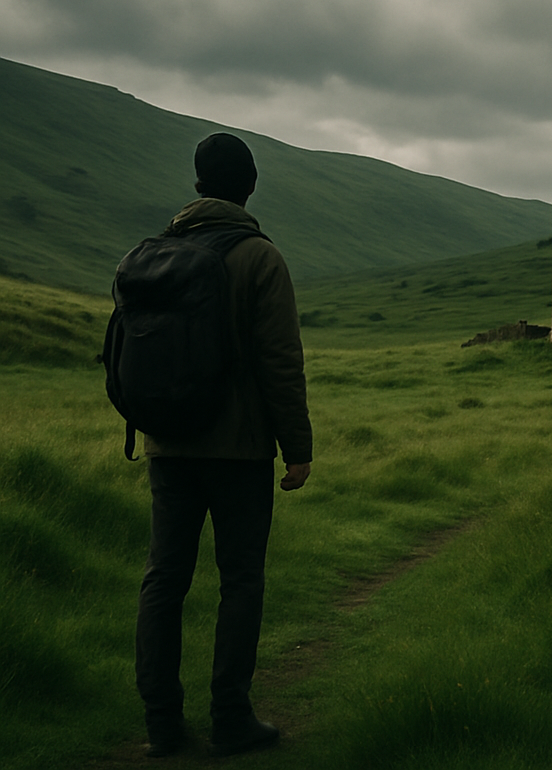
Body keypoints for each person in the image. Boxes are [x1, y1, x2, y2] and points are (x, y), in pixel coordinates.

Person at [134, 132, 313, 759]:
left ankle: (161, 724)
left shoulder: (157, 252)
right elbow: (280, 363)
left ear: (198, 185)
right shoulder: (260, 257)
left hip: (168, 445)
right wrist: (298, 447)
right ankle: (231, 720)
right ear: (250, 186)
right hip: (238, 452)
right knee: (240, 582)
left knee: (164, 580)